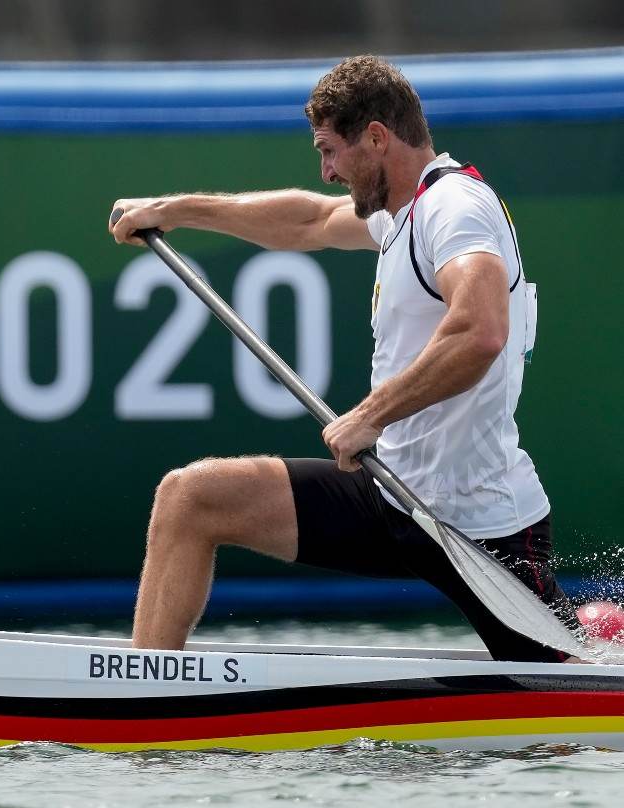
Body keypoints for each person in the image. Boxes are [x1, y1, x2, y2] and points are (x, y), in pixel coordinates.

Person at [106, 54, 571, 663]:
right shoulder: (400, 214)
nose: (327, 171)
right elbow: (307, 219)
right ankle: (145, 690)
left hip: (477, 521)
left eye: (330, 151)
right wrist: (174, 211)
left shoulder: (455, 208)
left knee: (570, 711)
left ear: (376, 137)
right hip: (389, 494)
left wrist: (370, 415)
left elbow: (480, 331)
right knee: (190, 498)